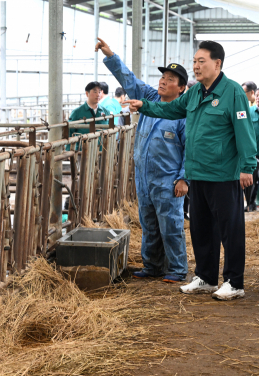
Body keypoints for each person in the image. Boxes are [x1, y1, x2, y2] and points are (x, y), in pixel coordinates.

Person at [122, 40, 257, 301]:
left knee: (230, 230)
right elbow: (171, 109)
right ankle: (205, 278)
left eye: (201, 61)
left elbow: (245, 132)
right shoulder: (194, 94)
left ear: (217, 64)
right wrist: (145, 106)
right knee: (201, 228)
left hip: (223, 173)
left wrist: (247, 166)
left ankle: (234, 281)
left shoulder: (232, 93)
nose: (195, 66)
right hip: (198, 174)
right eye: (194, 61)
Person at [96, 38, 189, 283]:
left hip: (169, 179)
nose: (163, 81)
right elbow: (129, 80)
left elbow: (191, 149)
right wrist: (111, 55)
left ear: (181, 88)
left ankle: (178, 269)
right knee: (148, 223)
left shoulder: (182, 114)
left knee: (171, 225)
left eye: (170, 80)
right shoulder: (150, 98)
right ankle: (153, 266)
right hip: (144, 176)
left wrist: (183, 178)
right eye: (162, 77)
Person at [67, 82, 109, 150]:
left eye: (99, 92)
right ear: (87, 93)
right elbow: (69, 131)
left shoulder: (105, 112)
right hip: (82, 151)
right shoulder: (77, 112)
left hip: (101, 151)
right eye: (95, 92)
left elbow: (110, 130)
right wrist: (69, 150)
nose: (98, 95)